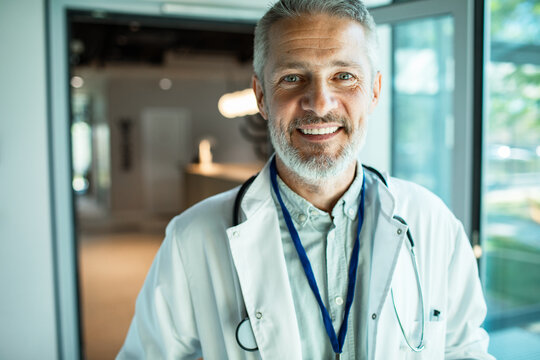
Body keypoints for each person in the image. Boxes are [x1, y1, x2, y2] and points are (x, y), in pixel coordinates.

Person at [118, 1, 494, 359]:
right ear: (261, 96)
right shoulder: (192, 238)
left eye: (344, 76)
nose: (319, 102)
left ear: (375, 91)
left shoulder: (433, 222)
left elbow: (464, 350)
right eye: (292, 78)